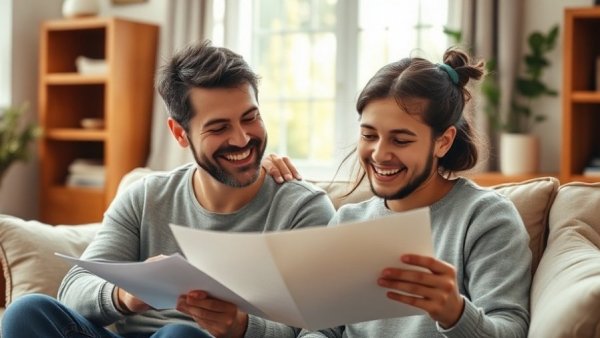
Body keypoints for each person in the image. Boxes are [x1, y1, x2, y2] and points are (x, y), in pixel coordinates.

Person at [1, 40, 335, 338]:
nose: (242, 139)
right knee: (27, 312)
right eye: (219, 127)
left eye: (250, 118)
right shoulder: (146, 197)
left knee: (179, 336)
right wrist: (126, 295)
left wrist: (242, 328)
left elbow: (323, 328)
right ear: (179, 133)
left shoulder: (302, 209)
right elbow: (73, 290)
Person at [290, 48, 532, 337]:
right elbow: (320, 329)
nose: (380, 154)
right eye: (369, 135)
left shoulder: (485, 218)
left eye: (401, 140)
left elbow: (511, 330)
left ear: (443, 142)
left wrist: (455, 313)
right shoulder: (348, 221)